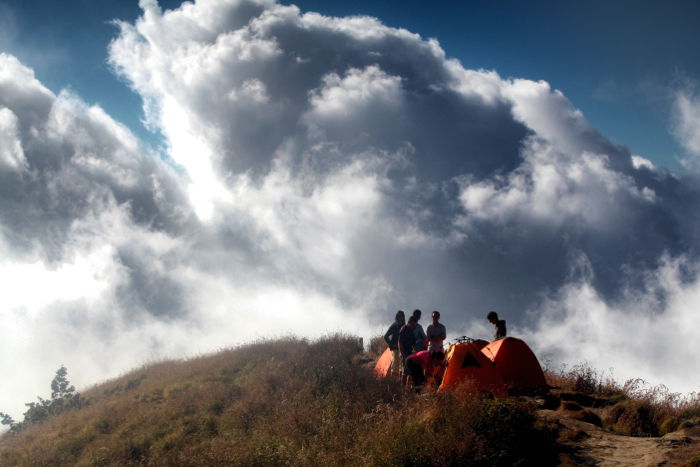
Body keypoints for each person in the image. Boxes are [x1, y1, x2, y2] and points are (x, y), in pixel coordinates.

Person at [383, 310, 405, 376]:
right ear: (397, 317)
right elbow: (385, 336)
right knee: (395, 362)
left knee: (402, 363)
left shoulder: (404, 326)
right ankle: (394, 381)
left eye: (402, 316)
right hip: (395, 347)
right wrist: (391, 345)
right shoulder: (394, 325)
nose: (400, 318)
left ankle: (400, 380)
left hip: (402, 347)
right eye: (399, 316)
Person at [398, 316, 418, 385]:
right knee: (405, 372)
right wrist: (403, 355)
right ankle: (403, 388)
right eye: (413, 324)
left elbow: (413, 343)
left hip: (410, 353)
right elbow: (400, 343)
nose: (414, 325)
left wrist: (415, 352)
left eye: (415, 324)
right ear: (410, 322)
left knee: (410, 371)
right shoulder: (404, 329)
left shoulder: (411, 330)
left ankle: (408, 388)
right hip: (404, 353)